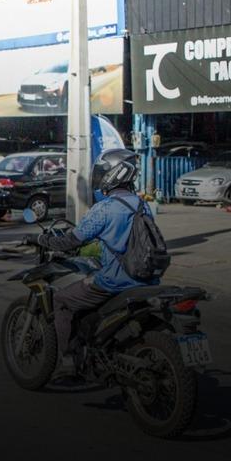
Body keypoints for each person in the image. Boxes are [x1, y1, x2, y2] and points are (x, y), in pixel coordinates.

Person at [34, 149, 160, 372]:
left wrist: (43, 240)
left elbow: (71, 241)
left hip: (115, 281)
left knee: (62, 300)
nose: (100, 176)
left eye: (103, 172)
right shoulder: (142, 205)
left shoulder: (104, 209)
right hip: (146, 278)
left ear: (114, 173)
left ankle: (68, 361)